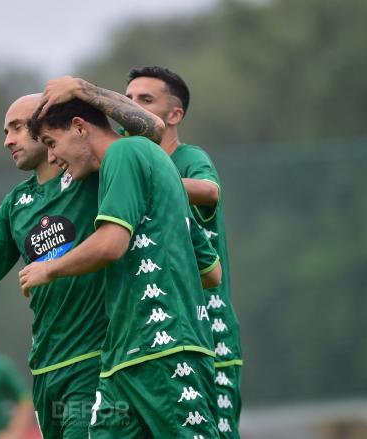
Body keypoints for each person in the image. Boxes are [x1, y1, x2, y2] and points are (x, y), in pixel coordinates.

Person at [0, 92, 164, 438]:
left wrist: (80, 89)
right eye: (5, 131)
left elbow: (149, 131)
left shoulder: (96, 171)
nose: (8, 140)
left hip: (97, 360)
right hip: (47, 367)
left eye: (18, 127)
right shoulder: (17, 203)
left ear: (46, 124)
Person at [22, 97, 222, 438]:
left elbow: (112, 243)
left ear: (80, 128)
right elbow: (209, 271)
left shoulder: (124, 153)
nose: (52, 157)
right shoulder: (151, 171)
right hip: (123, 360)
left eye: (52, 143)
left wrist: (50, 269)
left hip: (164, 349)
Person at [126, 65, 243, 438]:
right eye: (127, 100)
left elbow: (210, 192)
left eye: (145, 100)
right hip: (153, 338)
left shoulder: (190, 159)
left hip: (208, 329)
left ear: (174, 114)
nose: (133, 107)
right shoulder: (125, 164)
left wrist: (152, 176)